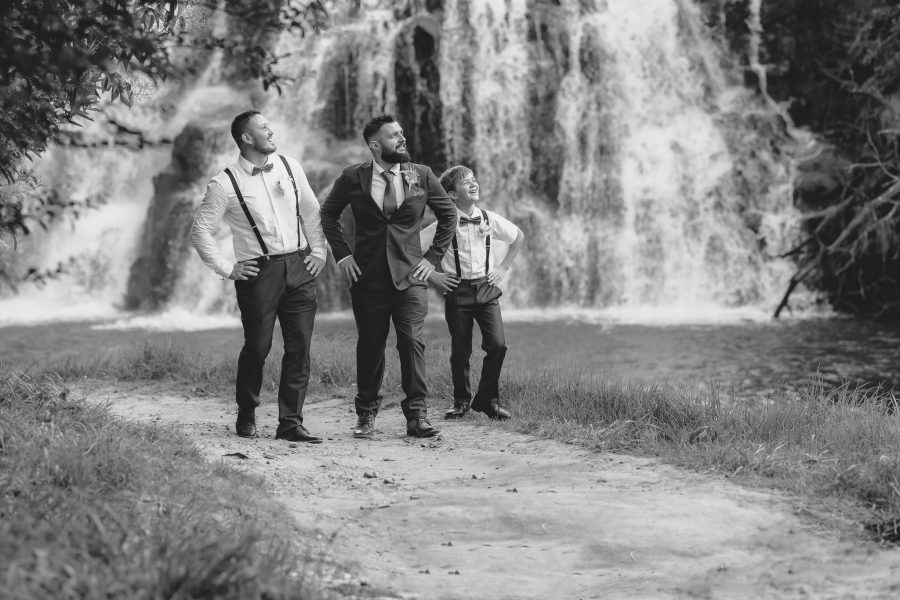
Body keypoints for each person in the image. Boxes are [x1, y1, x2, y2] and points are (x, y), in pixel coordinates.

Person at [190, 110, 327, 443]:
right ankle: (247, 410)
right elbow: (201, 230)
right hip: (257, 272)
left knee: (300, 347)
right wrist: (227, 268)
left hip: (299, 265)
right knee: (258, 346)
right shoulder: (224, 182)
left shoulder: (291, 166)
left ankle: (290, 422)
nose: (271, 130)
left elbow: (310, 211)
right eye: (263, 127)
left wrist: (319, 251)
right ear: (247, 138)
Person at [320, 114, 457, 439]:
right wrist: (342, 254)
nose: (402, 138)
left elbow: (449, 214)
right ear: (375, 144)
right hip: (367, 278)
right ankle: (366, 415)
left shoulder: (421, 174)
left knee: (412, 343)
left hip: (411, 277)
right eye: (394, 135)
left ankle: (417, 416)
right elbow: (328, 214)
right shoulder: (353, 176)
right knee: (370, 346)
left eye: (401, 132)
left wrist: (433, 259)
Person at [425, 165, 525, 421]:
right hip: (457, 291)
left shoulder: (489, 218)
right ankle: (461, 401)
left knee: (498, 345)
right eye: (465, 182)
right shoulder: (443, 224)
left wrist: (502, 267)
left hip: (486, 288)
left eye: (473, 179)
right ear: (451, 195)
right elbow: (411, 248)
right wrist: (434, 276)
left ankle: (487, 400)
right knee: (461, 350)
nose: (473, 183)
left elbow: (518, 236)